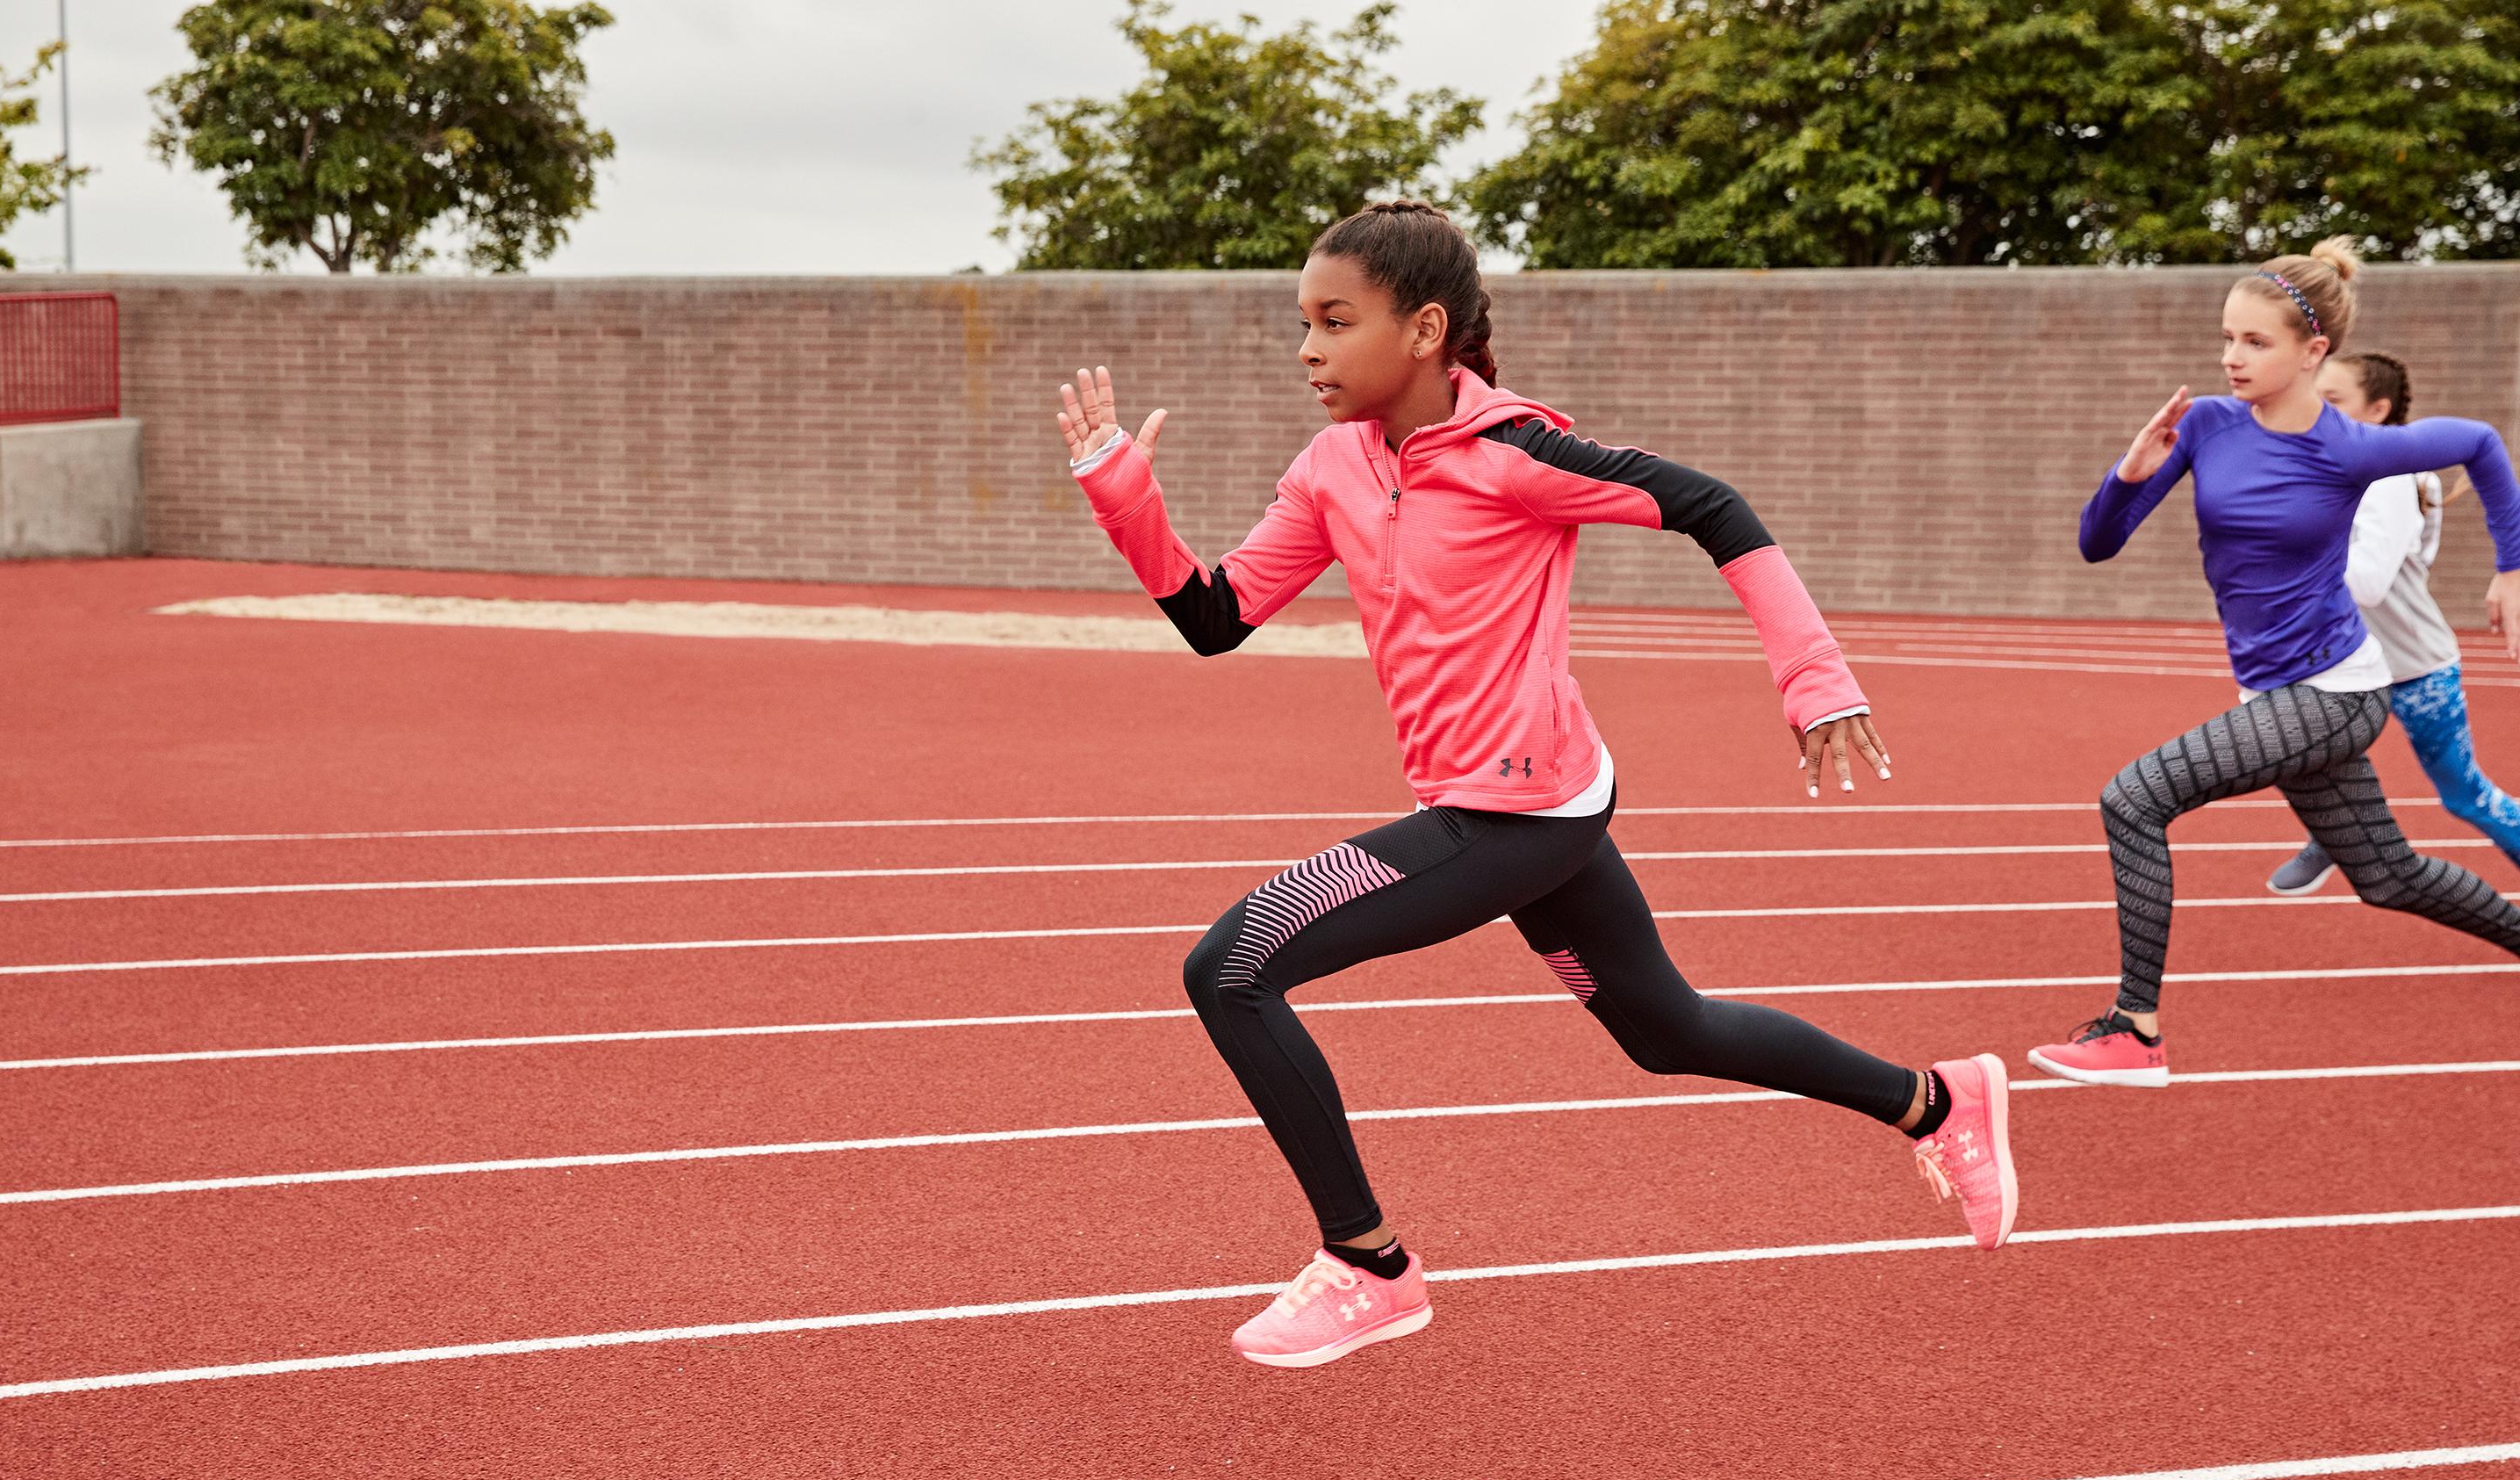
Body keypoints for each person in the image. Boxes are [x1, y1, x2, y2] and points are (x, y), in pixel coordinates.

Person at [1053, 199, 2016, 1369]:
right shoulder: (1332, 470)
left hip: (1515, 810)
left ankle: (1368, 1262)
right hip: (1533, 803)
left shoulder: (1520, 457)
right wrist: (1124, 499)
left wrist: (1814, 677)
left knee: (1233, 966)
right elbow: (1218, 618)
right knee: (1668, 1030)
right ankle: (1938, 1102)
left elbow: (1713, 508)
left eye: (1333, 320)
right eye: (1301, 322)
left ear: (1424, 330)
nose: (1306, 347)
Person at [2030, 240, 2520, 1090]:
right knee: (2389, 877)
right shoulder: (2208, 427)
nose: (2231, 357)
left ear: (2313, 351)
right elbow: (2096, 545)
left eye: (2255, 342)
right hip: (2284, 691)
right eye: (2228, 338)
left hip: (2337, 692)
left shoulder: (2351, 449)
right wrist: (2128, 472)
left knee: (2134, 797)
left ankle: (2135, 1029)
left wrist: (2511, 568)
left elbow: (2480, 443)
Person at [2263, 350, 2520, 895]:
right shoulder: (2332, 467)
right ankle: (2332, 833)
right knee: (2291, 740)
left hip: (2417, 667)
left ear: (2377, 410)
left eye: (2334, 402)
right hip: (2351, 661)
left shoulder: (2390, 480)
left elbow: (2369, 583)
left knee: (2464, 796)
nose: (2318, 413)